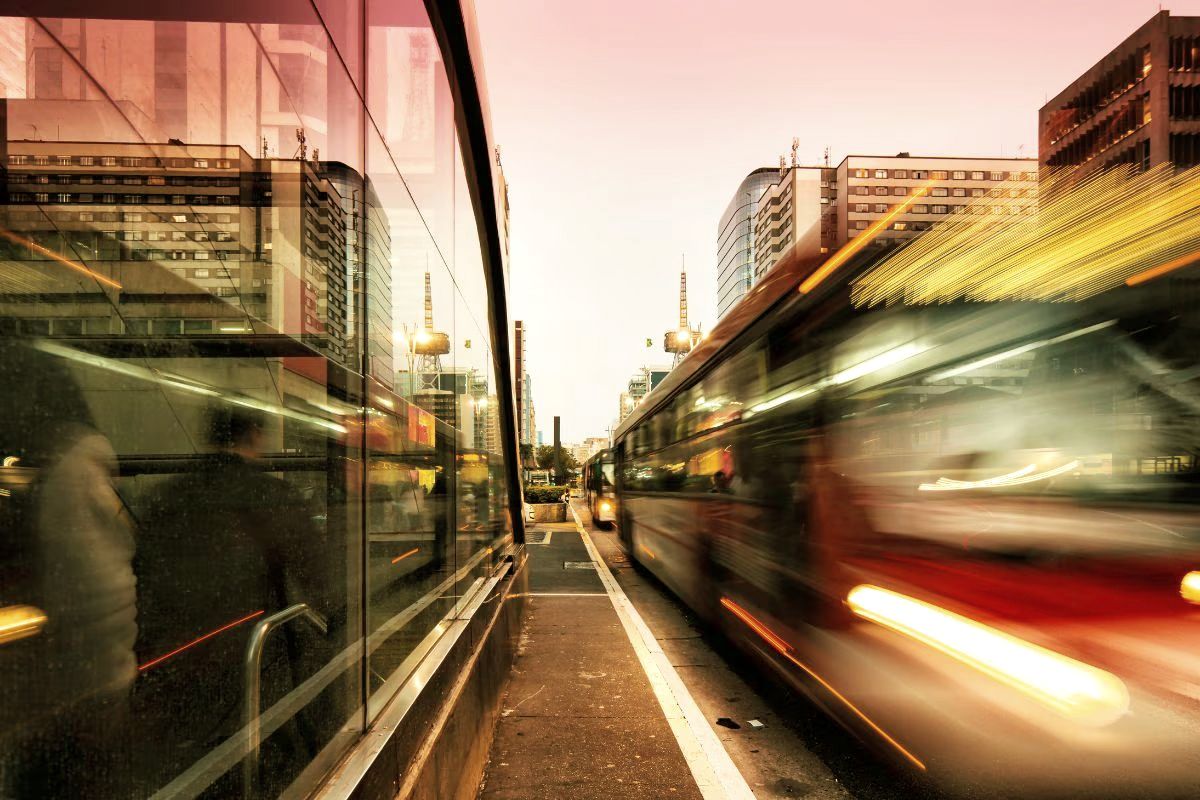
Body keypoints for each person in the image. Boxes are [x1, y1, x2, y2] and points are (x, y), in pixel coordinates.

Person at [133, 403, 322, 793]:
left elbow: (143, 576)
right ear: (254, 434)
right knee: (258, 758)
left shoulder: (165, 497)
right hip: (252, 659)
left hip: (172, 661)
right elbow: (317, 576)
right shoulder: (273, 496)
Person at [0, 339, 137, 798]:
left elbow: (99, 594)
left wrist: (105, 686)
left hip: (52, 693)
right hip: (50, 688)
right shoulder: (66, 462)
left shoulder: (68, 464)